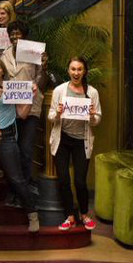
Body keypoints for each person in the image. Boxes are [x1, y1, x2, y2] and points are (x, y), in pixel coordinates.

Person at [0, 58, 40, 233]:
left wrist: (30, 99)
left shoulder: (12, 88)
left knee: (17, 178)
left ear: (3, 71)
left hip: (7, 137)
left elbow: (22, 114)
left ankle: (33, 214)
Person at [48, 57, 101, 231]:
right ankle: (70, 216)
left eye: (79, 69)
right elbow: (50, 117)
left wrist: (93, 115)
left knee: (79, 181)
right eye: (73, 69)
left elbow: (97, 119)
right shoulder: (59, 90)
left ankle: (84, 215)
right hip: (62, 139)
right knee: (63, 179)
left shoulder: (92, 92)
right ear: (68, 71)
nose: (76, 73)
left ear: (84, 71)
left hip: (81, 142)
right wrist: (57, 112)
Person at [0, 20, 48, 199]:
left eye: (18, 33)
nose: (14, 36)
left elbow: (41, 81)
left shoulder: (34, 52)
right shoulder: (3, 55)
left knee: (26, 150)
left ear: (24, 35)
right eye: (12, 33)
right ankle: (15, 190)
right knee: (12, 151)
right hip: (10, 108)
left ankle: (25, 190)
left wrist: (43, 68)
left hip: (30, 108)